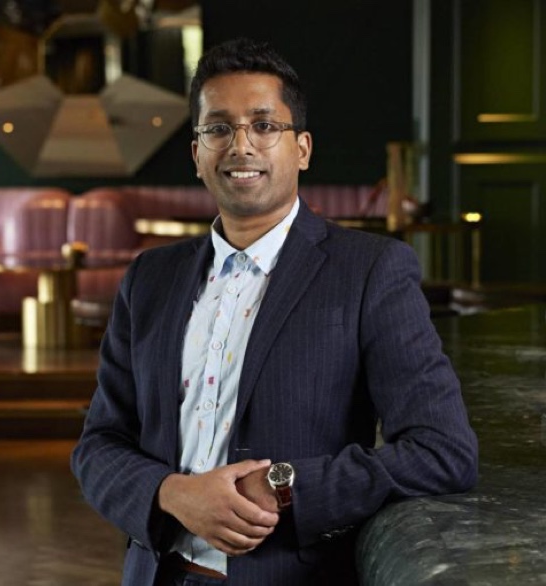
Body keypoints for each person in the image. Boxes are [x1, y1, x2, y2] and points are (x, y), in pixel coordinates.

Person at [70, 38, 478, 585]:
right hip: (159, 574)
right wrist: (172, 494)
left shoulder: (370, 271)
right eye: (218, 128)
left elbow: (442, 451)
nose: (241, 145)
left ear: (302, 149)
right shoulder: (149, 278)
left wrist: (286, 485)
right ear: (197, 154)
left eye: (264, 126)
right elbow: (99, 444)